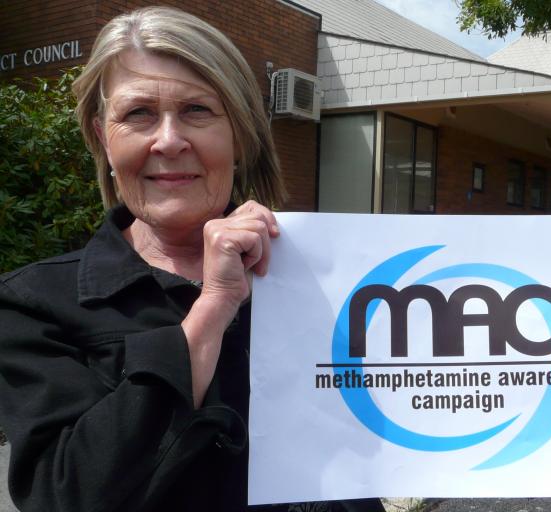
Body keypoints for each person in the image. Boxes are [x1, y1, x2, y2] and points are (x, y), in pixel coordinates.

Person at [0, 7, 384, 512]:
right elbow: (63, 497)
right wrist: (214, 307)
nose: (168, 140)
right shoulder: (32, 305)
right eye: (138, 114)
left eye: (197, 110)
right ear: (101, 138)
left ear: (240, 135)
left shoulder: (326, 281)